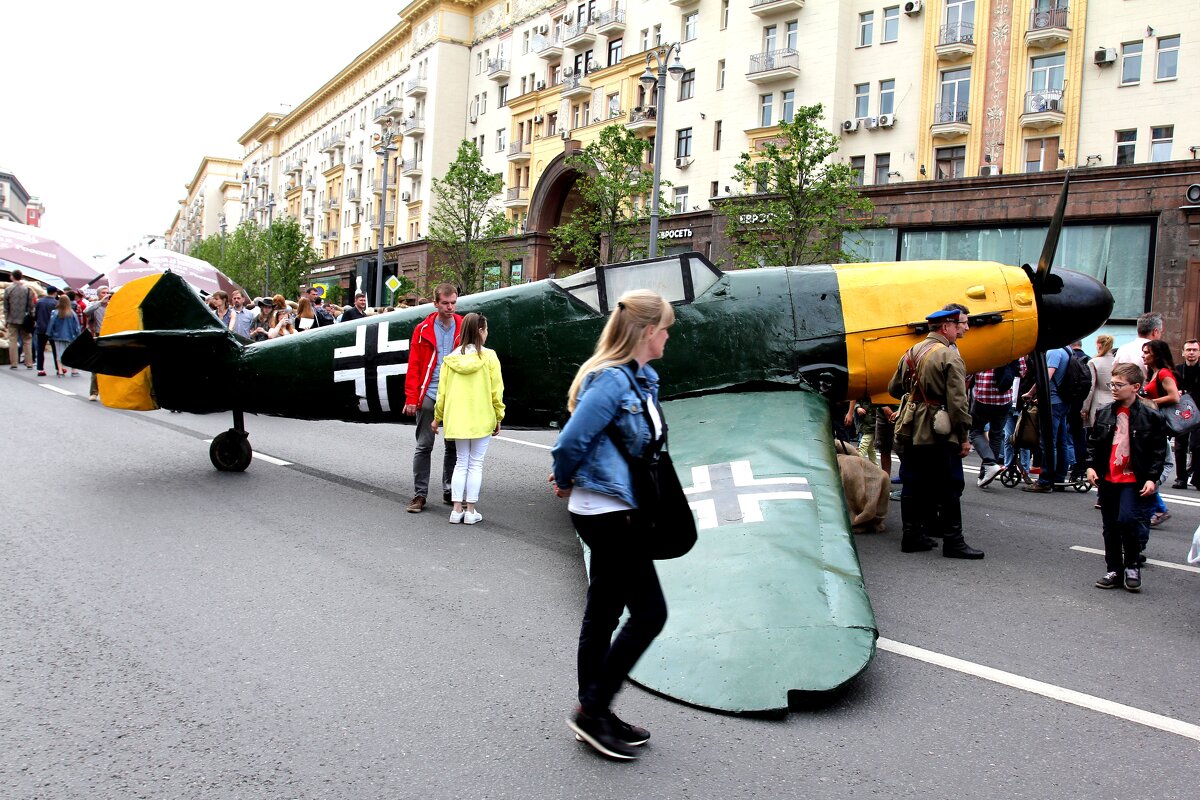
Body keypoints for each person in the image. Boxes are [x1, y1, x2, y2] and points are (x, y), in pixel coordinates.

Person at [550, 289, 675, 761]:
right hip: (608, 513)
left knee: (603, 612)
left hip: (619, 509)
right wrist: (565, 480)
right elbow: (569, 443)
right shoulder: (611, 382)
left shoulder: (642, 378)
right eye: (664, 329)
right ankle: (593, 709)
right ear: (647, 331)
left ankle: (594, 710)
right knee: (650, 613)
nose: (667, 337)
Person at [889, 305, 984, 559]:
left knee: (912, 481)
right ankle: (954, 542)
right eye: (957, 325)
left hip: (910, 427)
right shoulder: (949, 356)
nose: (960, 329)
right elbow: (958, 403)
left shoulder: (911, 351)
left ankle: (912, 536)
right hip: (938, 431)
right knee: (950, 484)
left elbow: (893, 388)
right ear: (946, 327)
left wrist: (917, 399)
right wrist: (964, 436)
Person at [1086, 362, 1167, 592]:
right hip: (1109, 478)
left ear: (1135, 387)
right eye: (1112, 383)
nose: (1113, 388)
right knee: (1110, 525)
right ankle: (1114, 569)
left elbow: (1158, 452)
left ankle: (1132, 565)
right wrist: (1091, 466)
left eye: (1119, 385)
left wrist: (1152, 478)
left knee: (1128, 520)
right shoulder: (1105, 412)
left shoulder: (1151, 417)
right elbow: (1094, 443)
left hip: (1134, 479)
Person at [432, 313, 505, 525]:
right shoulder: (489, 357)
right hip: (482, 417)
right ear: (481, 331)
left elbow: (442, 394)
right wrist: (498, 415)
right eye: (486, 329)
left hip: (457, 419)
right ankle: (471, 510)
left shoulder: (451, 359)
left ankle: (456, 510)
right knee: (476, 464)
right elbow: (496, 391)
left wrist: (438, 418)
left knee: (461, 462)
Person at [403, 283, 463, 513]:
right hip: (429, 393)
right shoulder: (422, 329)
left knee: (453, 445)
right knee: (424, 445)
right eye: (445, 303)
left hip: (455, 394)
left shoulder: (462, 325)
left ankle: (450, 490)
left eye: (453, 303)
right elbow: (414, 366)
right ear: (435, 303)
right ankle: (420, 495)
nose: (450, 307)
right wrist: (411, 397)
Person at [1022, 344, 1074, 493]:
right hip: (1063, 401)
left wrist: (1031, 393)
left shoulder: (1054, 351)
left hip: (1053, 402)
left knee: (1047, 442)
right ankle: (1058, 477)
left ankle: (1045, 481)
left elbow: (1046, 377)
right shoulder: (1067, 350)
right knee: (1061, 442)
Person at [968, 357, 1026, 488]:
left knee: (975, 432)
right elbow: (1022, 371)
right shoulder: (1015, 346)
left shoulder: (983, 344)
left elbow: (970, 370)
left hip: (982, 396)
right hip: (1004, 398)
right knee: (996, 435)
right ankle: (985, 474)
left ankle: (989, 464)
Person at [1140, 339, 1178, 527]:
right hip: (1153, 423)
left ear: (1156, 353)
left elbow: (1174, 396)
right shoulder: (1153, 372)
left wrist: (1153, 402)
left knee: (1161, 463)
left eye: (1147, 352)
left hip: (1160, 424)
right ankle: (1158, 505)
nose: (1144, 355)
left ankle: (1159, 507)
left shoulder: (1163, 373)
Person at [1170, 339, 1200, 488]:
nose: (1191, 353)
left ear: (1199, 353)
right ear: (1183, 353)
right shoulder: (1177, 370)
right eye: (1188, 350)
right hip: (1181, 413)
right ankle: (1181, 478)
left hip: (1199, 413)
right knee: (1180, 446)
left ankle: (1195, 474)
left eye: (1194, 350)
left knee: (1197, 446)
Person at [4, 269, 36, 369]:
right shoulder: (27, 290)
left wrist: (6, 319)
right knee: (27, 340)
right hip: (25, 319)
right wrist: (32, 318)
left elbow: (6, 307)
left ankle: (14, 363)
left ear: (12, 277)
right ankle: (29, 363)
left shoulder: (8, 290)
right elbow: (31, 306)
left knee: (13, 340)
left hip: (12, 318)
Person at [83, 286, 111, 400]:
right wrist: (100, 302)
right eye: (103, 293)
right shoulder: (94, 305)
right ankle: (94, 392)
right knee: (97, 365)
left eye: (108, 292)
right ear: (98, 294)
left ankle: (109, 393)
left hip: (112, 336)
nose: (106, 294)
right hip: (99, 336)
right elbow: (86, 311)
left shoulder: (113, 305)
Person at [46, 295, 82, 376]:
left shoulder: (55, 312)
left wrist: (49, 334)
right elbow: (77, 325)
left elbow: (51, 324)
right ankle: (74, 370)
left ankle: (60, 370)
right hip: (71, 336)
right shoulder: (72, 313)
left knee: (59, 353)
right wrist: (78, 335)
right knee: (72, 353)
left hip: (58, 336)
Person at [32, 286, 60, 376]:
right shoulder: (56, 303)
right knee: (56, 349)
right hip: (52, 329)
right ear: (55, 293)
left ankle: (40, 369)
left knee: (40, 348)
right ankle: (58, 367)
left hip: (41, 328)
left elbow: (35, 315)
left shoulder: (40, 302)